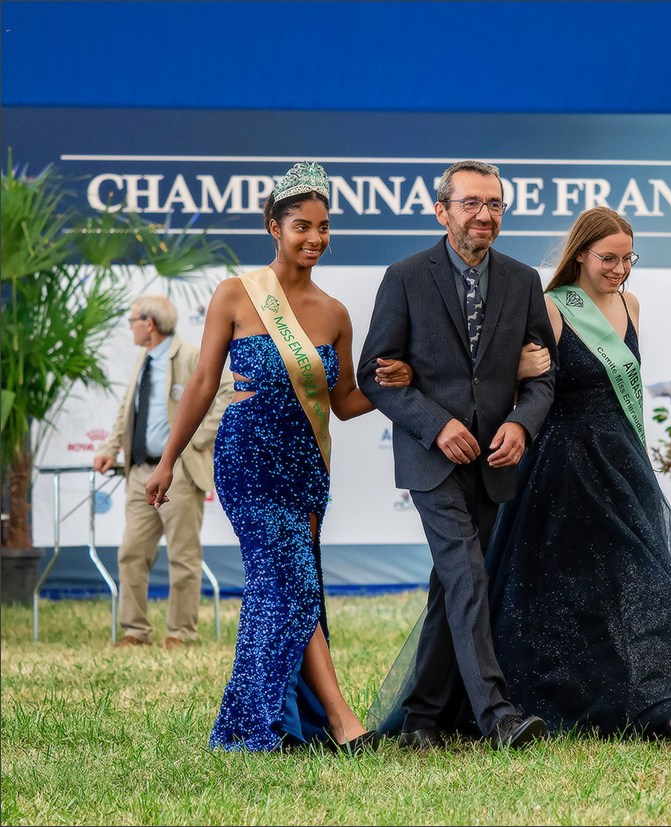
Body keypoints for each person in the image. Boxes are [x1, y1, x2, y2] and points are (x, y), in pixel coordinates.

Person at [144, 161, 412, 754]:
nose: (314, 238)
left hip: (307, 465)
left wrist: (394, 383)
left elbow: (343, 404)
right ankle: (334, 723)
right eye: (301, 226)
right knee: (287, 581)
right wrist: (167, 460)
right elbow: (203, 383)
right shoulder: (236, 294)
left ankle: (292, 725)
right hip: (248, 462)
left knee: (296, 586)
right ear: (274, 225)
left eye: (323, 227)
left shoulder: (336, 313)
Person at [357, 160, 557, 751]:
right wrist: (436, 423)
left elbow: (543, 375)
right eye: (472, 203)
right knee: (466, 573)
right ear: (442, 211)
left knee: (453, 586)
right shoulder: (404, 277)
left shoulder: (523, 281)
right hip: (432, 456)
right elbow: (375, 374)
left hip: (497, 460)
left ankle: (421, 719)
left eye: (494, 204)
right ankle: (497, 715)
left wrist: (521, 424)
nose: (485, 215)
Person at [492, 207, 671, 739]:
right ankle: (561, 702)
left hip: (622, 459)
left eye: (626, 259)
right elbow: (523, 383)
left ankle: (660, 704)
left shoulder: (632, 304)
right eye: (607, 258)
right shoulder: (552, 306)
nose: (618, 269)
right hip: (565, 464)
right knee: (566, 589)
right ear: (581, 254)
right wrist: (517, 370)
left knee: (646, 578)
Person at [93, 294, 233, 649]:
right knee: (131, 552)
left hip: (181, 472)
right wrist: (111, 448)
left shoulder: (189, 355)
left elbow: (228, 390)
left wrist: (197, 438)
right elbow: (128, 408)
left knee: (183, 556)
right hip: (141, 471)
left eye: (133, 320)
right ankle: (135, 631)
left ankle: (180, 633)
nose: (131, 326)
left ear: (149, 324)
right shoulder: (145, 358)